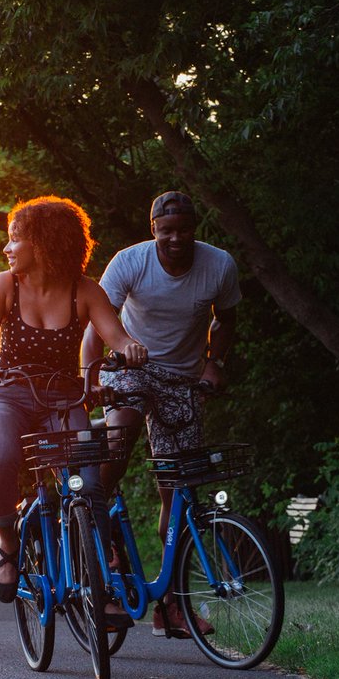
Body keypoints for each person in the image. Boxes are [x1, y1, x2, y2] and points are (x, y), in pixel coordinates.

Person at [0, 195, 147, 614]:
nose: (7, 249)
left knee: (88, 483)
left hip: (64, 399)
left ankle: (98, 584)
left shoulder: (84, 291)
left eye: (15, 240)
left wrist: (131, 347)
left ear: (44, 244)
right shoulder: (2, 285)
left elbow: (115, 336)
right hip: (6, 394)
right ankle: (8, 542)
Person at [81, 190, 241, 639]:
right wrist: (88, 377)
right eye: (166, 230)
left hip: (182, 380)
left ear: (194, 229)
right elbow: (98, 319)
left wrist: (216, 363)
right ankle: (98, 516)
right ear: (153, 229)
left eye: (184, 230)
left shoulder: (218, 266)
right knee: (122, 431)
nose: (175, 238)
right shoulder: (131, 262)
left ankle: (171, 607)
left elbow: (225, 319)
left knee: (178, 490)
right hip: (129, 365)